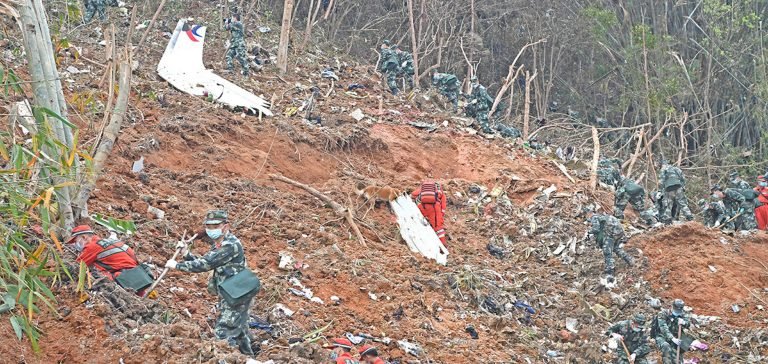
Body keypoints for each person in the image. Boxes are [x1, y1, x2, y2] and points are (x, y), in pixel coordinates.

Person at [164, 210, 256, 355]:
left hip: (238, 295)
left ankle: (227, 358)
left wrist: (177, 265)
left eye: (215, 226)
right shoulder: (219, 244)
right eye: (209, 226)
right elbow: (208, 262)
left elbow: (205, 264)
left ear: (225, 226)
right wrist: (186, 254)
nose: (211, 230)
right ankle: (248, 357)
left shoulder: (230, 245)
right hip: (232, 292)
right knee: (239, 331)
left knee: (223, 332)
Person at [67, 225, 139, 280]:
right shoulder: (111, 241)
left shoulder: (91, 246)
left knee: (93, 269)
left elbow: (77, 266)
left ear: (84, 237)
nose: (75, 244)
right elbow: (133, 255)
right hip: (138, 274)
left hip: (123, 277)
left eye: (75, 241)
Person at [588, 213, 634, 278]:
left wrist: (589, 232)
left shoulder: (594, 217)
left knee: (607, 252)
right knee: (615, 248)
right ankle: (629, 259)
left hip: (612, 234)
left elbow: (596, 229)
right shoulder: (602, 216)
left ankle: (610, 271)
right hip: (619, 232)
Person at [653, 299, 691, 364]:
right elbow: (663, 328)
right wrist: (672, 338)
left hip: (676, 337)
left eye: (679, 311)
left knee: (683, 347)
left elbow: (688, 324)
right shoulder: (663, 314)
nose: (677, 312)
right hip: (662, 337)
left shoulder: (682, 314)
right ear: (672, 307)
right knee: (666, 347)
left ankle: (679, 360)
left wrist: (684, 322)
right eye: (676, 310)